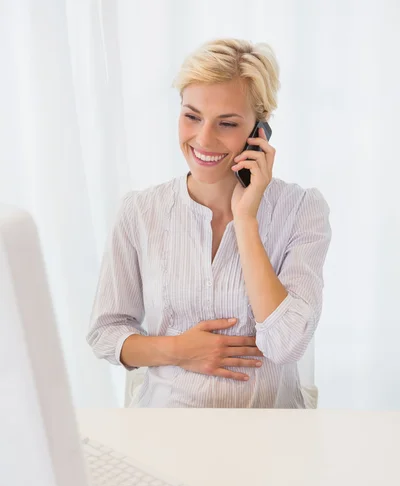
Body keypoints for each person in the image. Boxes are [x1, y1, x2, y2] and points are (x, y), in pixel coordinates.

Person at [86, 37, 332, 408]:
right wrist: (178, 350)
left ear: (258, 132)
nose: (203, 138)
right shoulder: (140, 211)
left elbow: (285, 344)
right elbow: (106, 333)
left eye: (227, 123)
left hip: (272, 436)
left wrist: (246, 219)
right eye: (192, 116)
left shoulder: (302, 209)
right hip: (167, 428)